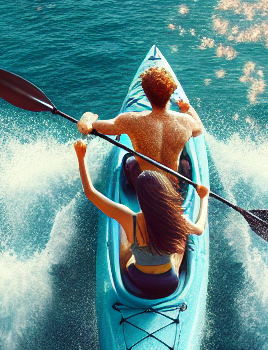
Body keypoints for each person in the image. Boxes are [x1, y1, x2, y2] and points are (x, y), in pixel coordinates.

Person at [73, 138, 208, 299]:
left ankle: (122, 269)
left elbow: (90, 193)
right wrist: (204, 198)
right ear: (164, 194)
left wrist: (81, 158)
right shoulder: (177, 219)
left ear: (141, 197)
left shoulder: (130, 219)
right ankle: (180, 266)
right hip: (169, 284)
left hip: (137, 282)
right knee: (181, 242)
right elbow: (199, 229)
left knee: (125, 236)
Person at [78, 66, 204, 189]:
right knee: (184, 159)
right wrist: (188, 110)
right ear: (171, 92)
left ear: (146, 94)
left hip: (143, 186)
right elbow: (199, 129)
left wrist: (88, 117)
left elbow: (85, 128)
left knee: (128, 159)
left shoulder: (130, 120)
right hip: (172, 185)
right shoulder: (186, 121)